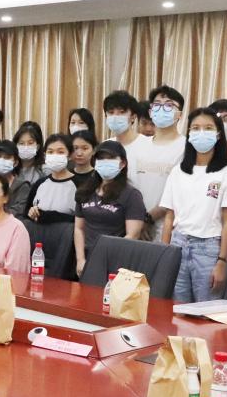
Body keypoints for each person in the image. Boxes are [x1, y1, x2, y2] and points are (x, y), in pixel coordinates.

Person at [160, 108, 227, 302]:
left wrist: (222, 261)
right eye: (195, 128)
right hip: (177, 245)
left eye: (208, 128)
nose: (201, 132)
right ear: (189, 133)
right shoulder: (178, 171)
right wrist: (163, 254)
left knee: (206, 309)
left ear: (218, 134)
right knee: (177, 308)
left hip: (209, 248)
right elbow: (169, 217)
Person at [74, 141, 147, 277]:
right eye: (101, 159)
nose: (105, 162)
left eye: (111, 158)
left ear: (122, 163)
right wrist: (80, 259)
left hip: (117, 261)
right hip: (87, 258)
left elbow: (132, 235)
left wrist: (106, 259)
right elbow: (79, 228)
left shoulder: (131, 195)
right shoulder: (85, 191)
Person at [129, 86, 187, 239]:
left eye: (168, 105)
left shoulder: (186, 147)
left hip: (166, 229)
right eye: (157, 105)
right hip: (133, 224)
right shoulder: (138, 144)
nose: (162, 109)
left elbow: (178, 193)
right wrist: (136, 220)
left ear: (179, 114)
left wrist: (148, 219)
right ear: (150, 111)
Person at [27, 134, 81, 224]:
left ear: (70, 155)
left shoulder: (80, 185)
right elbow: (27, 213)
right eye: (50, 152)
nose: (55, 155)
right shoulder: (39, 183)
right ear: (45, 155)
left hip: (68, 232)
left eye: (60, 152)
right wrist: (32, 212)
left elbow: (84, 219)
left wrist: (51, 216)